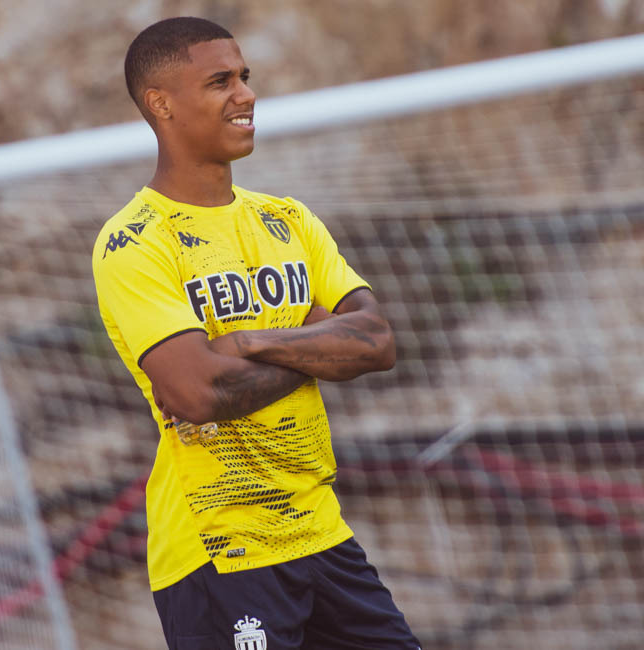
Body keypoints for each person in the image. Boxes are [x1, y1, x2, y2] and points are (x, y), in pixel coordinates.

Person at [92, 16, 420, 650]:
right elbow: (197, 393)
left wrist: (249, 342)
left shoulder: (288, 218)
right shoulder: (134, 242)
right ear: (161, 103)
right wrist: (315, 344)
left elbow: (377, 342)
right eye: (220, 81)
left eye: (244, 77)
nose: (245, 94)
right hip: (220, 550)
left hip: (322, 534)